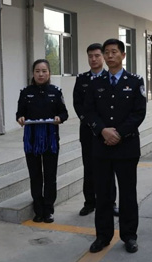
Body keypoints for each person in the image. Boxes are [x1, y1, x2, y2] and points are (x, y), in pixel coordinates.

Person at [84, 38, 146, 254]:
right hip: (101, 146)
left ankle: (129, 236)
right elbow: (89, 111)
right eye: (107, 52)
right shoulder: (95, 82)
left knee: (128, 194)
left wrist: (118, 133)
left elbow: (139, 113)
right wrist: (102, 130)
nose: (110, 56)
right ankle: (103, 235)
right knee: (103, 194)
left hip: (126, 146)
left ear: (123, 55)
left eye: (114, 52)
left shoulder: (135, 81)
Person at [16, 59, 69, 223]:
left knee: (50, 176)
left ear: (49, 73)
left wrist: (59, 118)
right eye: (37, 71)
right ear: (33, 73)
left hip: (50, 139)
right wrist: (20, 118)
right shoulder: (26, 92)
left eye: (44, 71)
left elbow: (64, 113)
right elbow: (19, 113)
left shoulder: (56, 92)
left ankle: (48, 210)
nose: (41, 74)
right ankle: (38, 210)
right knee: (35, 175)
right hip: (31, 140)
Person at [73, 43, 118, 217]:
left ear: (103, 57)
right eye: (90, 56)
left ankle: (110, 202)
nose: (93, 59)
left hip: (106, 132)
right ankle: (89, 202)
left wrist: (104, 128)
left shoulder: (110, 78)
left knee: (108, 168)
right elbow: (78, 104)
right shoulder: (82, 79)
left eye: (97, 55)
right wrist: (91, 124)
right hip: (88, 131)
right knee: (89, 167)